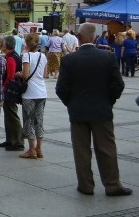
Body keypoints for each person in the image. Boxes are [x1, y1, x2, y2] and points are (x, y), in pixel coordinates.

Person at [55, 23, 131, 197]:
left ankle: (85, 185)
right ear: (95, 37)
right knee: (106, 149)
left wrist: (71, 103)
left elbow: (61, 89)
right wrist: (108, 101)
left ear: (79, 38)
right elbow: (118, 85)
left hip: (78, 111)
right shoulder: (108, 57)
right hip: (102, 110)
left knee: (81, 151)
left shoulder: (69, 59)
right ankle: (112, 185)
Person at [19, 32, 47, 159]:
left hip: (30, 93)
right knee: (39, 121)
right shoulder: (43, 56)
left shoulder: (27, 56)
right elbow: (45, 74)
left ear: (27, 43)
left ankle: (31, 150)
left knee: (28, 121)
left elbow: (25, 75)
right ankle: (39, 149)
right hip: (42, 92)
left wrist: (17, 74)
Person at [0, 35, 25, 152]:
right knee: (9, 115)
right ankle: (10, 139)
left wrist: (3, 89)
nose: (1, 45)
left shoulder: (11, 58)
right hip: (11, 90)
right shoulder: (13, 55)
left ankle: (18, 141)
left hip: (10, 91)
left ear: (5, 45)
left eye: (2, 43)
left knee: (12, 115)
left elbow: (10, 76)